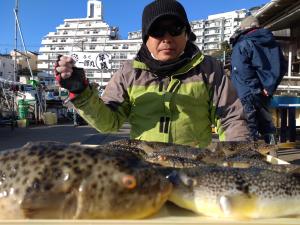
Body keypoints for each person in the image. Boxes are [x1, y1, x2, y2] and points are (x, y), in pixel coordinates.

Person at [55, 0, 250, 148]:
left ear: (187, 34)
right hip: (144, 170)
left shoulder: (209, 69)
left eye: (175, 29)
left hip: (195, 170)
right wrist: (81, 92)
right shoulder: (129, 72)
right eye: (157, 31)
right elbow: (109, 122)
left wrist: (241, 154)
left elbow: (230, 118)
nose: (167, 38)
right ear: (146, 38)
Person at [230, 15, 287, 144]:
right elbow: (282, 66)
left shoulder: (243, 43)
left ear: (244, 28)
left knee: (248, 127)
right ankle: (272, 153)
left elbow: (241, 69)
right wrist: (269, 87)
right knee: (267, 126)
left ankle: (251, 160)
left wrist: (255, 88)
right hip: (265, 94)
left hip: (246, 93)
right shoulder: (272, 43)